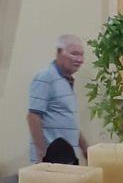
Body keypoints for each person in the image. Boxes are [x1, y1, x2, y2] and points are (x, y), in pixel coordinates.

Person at [27, 35, 88, 163]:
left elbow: (68, 120)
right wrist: (42, 152)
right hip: (51, 157)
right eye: (74, 54)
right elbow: (33, 116)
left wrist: (85, 148)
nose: (80, 59)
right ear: (59, 53)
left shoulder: (66, 80)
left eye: (82, 55)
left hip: (67, 156)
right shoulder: (46, 77)